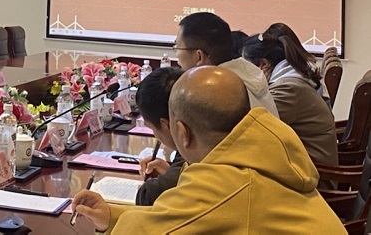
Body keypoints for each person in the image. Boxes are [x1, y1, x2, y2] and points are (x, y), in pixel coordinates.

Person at [71, 67, 346, 234]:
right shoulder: (263, 150)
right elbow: (170, 219)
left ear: (182, 132)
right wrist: (111, 217)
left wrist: (112, 226)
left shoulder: (224, 182)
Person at [241, 31, 338, 167]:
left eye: (246, 68)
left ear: (263, 64)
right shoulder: (292, 78)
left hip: (314, 173)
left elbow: (253, 128)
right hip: (307, 164)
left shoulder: (287, 89)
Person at [173, 12, 279, 116]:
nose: (177, 56)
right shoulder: (249, 72)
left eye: (178, 48)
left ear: (199, 56)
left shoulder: (212, 91)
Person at [134, 67, 186, 206]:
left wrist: (166, 180)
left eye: (151, 127)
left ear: (166, 124)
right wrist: (171, 171)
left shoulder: (192, 153)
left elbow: (147, 198)